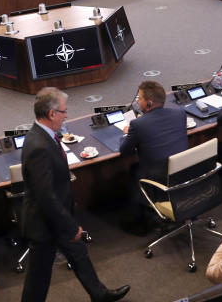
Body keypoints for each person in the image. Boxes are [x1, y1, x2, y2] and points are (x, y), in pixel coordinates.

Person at [20, 88, 130, 302]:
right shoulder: (38, 146)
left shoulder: (46, 137)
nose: (66, 115)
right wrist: (70, 226)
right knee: (38, 279)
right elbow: (45, 196)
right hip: (45, 223)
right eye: (63, 111)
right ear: (52, 114)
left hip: (59, 216)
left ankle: (99, 294)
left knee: (79, 255)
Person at [118, 81, 187, 234]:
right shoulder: (180, 113)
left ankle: (139, 223)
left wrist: (125, 133)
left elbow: (125, 150)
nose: (137, 101)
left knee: (135, 170)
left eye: (139, 98)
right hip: (184, 175)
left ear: (149, 103)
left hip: (160, 181)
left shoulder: (137, 124)